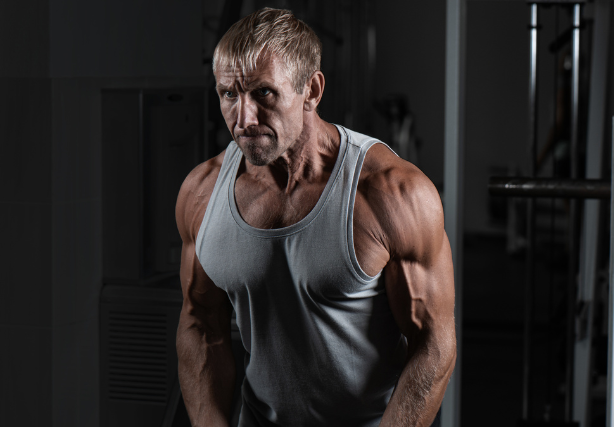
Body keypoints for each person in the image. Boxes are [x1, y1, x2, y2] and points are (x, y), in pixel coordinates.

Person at [175, 8, 456, 427]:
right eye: (229, 95)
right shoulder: (201, 193)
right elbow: (200, 323)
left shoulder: (392, 193)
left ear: (311, 89)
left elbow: (433, 344)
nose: (244, 119)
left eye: (264, 93)